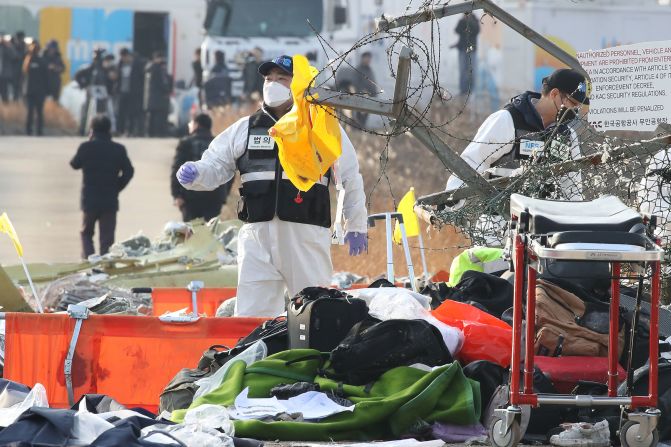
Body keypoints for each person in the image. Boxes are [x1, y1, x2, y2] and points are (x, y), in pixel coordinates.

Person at [176, 55, 368, 317]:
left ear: (298, 84)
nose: (273, 84)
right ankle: (256, 357)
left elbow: (349, 177)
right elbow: (216, 165)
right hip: (257, 237)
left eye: (282, 78)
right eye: (268, 78)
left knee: (315, 313)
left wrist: (355, 224)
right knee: (252, 316)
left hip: (305, 234)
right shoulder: (246, 128)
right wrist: (196, 173)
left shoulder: (320, 126)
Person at [445, 68, 589, 245]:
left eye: (577, 107)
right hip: (498, 226)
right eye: (572, 103)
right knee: (496, 271)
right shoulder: (508, 120)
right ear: (554, 94)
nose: (574, 111)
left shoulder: (567, 136)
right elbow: (472, 162)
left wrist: (575, 229)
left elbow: (572, 185)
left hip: (544, 230)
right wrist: (451, 201)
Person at [70, 115, 134, 259]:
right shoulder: (118, 149)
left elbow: (74, 164)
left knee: (86, 233)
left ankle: (90, 261)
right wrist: (118, 186)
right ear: (109, 129)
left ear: (92, 130)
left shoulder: (86, 147)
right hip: (110, 200)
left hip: (90, 200)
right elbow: (129, 171)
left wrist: (88, 142)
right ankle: (105, 267)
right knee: (107, 238)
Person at [170, 113, 232, 221]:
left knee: (192, 233)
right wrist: (224, 195)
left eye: (191, 123)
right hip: (215, 197)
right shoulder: (219, 143)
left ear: (196, 125)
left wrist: (177, 195)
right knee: (210, 233)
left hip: (190, 197)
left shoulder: (186, 143)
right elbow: (230, 169)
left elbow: (177, 169)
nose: (189, 125)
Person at [75, 48, 115, 135]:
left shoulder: (107, 69)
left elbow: (111, 81)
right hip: (92, 94)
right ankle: (84, 130)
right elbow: (78, 75)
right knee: (88, 112)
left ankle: (104, 130)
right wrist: (85, 85)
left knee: (105, 113)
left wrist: (110, 90)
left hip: (105, 94)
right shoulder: (91, 68)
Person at [116, 48, 145, 136]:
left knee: (131, 113)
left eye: (124, 57)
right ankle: (120, 131)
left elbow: (142, 78)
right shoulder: (120, 64)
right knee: (121, 112)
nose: (123, 59)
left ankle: (130, 131)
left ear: (128, 55)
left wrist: (140, 90)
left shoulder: (137, 64)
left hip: (133, 93)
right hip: (122, 91)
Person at [144, 51, 173, 137]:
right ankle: (158, 133)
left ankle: (150, 133)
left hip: (150, 97)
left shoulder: (149, 68)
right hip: (158, 97)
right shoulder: (157, 69)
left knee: (152, 116)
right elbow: (161, 83)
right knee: (158, 117)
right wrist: (167, 90)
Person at [23, 41, 48, 136]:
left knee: (37, 112)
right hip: (33, 91)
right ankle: (33, 130)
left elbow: (46, 76)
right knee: (34, 112)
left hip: (35, 91)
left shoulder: (41, 61)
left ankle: (36, 130)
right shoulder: (28, 61)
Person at [452, 13, 480, 96]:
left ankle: (471, 90)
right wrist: (464, 21)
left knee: (471, 70)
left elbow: (477, 30)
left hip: (471, 49)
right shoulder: (462, 20)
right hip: (463, 48)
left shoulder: (474, 20)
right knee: (463, 70)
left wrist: (469, 20)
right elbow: (457, 30)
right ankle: (463, 90)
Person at [353, 51, 377, 127]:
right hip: (360, 96)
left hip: (369, 97)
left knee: (365, 116)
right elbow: (355, 82)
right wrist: (362, 91)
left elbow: (372, 82)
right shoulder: (358, 69)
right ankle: (357, 129)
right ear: (363, 58)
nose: (368, 60)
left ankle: (361, 128)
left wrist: (374, 93)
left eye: (369, 58)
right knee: (359, 115)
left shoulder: (370, 70)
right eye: (367, 58)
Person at [0, 35, 19, 102]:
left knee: (7, 90)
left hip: (6, 73)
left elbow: (15, 57)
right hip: (3, 73)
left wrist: (8, 46)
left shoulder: (7, 48)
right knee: (3, 91)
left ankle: (8, 104)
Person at [11, 31, 27, 101]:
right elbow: (14, 57)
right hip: (14, 70)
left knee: (21, 88)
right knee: (15, 88)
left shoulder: (24, 46)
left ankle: (21, 102)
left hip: (22, 70)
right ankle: (15, 101)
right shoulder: (12, 46)